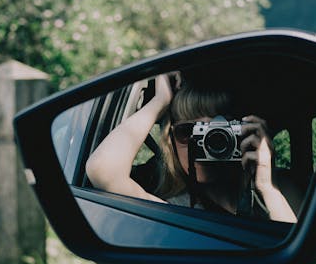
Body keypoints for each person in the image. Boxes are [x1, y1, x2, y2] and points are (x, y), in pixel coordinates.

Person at [85, 74, 300, 223]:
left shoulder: (279, 189)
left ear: (242, 134)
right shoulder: (174, 210)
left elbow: (298, 251)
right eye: (187, 133)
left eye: (217, 132)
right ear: (171, 143)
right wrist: (160, 102)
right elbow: (102, 170)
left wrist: (268, 186)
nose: (202, 142)